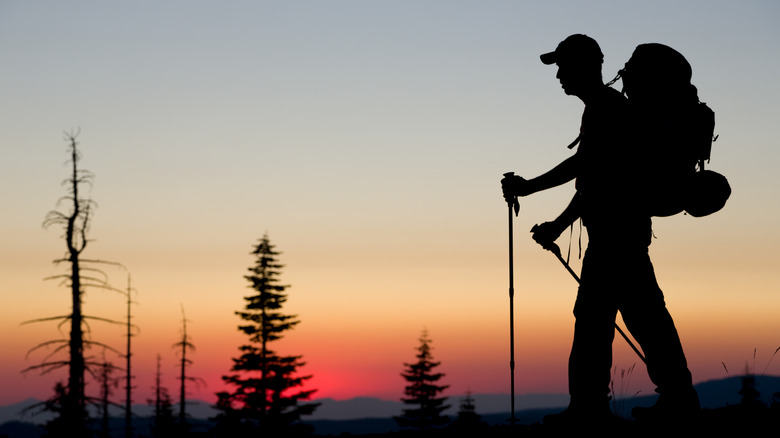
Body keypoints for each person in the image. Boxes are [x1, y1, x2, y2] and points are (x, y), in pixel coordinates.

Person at [501, 35, 700, 426]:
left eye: (563, 66)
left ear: (585, 66)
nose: (558, 75)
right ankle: (674, 398)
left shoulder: (607, 109)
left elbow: (588, 175)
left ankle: (592, 408)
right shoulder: (605, 108)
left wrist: (534, 194)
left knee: (599, 320)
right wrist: (557, 224)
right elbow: (591, 176)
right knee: (642, 317)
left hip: (616, 236)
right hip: (621, 233)